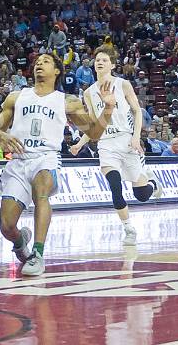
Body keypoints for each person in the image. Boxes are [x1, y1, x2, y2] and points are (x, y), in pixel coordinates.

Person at [0, 53, 116, 276]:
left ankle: (38, 254)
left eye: (46, 61)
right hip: (19, 161)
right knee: (6, 226)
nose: (39, 64)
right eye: (37, 62)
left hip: (46, 157)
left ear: (57, 70)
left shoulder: (67, 101)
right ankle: (21, 242)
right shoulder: (16, 96)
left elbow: (95, 133)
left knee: (42, 192)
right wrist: (0, 136)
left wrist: (107, 109)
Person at [71, 47, 162, 246]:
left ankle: (153, 183)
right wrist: (79, 143)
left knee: (142, 195)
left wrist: (136, 137)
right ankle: (128, 228)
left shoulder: (123, 84)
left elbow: (138, 112)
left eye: (104, 60)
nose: (99, 62)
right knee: (114, 185)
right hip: (106, 143)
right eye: (97, 60)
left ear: (112, 65)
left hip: (127, 139)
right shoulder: (88, 92)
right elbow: (95, 125)